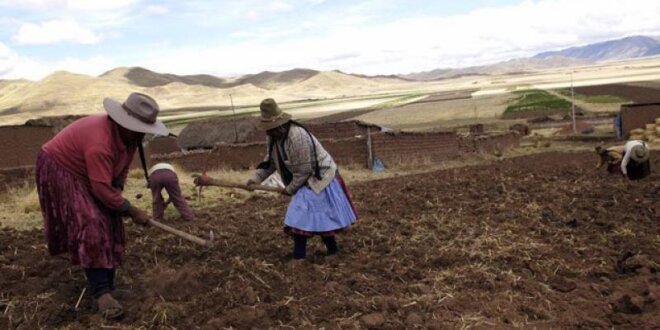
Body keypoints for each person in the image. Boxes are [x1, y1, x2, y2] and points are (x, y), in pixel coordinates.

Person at [36, 92, 169, 320]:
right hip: (60, 167)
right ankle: (101, 293)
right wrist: (131, 209)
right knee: (92, 222)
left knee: (112, 220)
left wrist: (118, 192)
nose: (141, 134)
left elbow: (121, 170)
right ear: (123, 122)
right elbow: (101, 190)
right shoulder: (100, 143)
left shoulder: (130, 138)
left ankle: (109, 283)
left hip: (91, 173)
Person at [195, 98, 357, 260]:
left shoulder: (296, 136)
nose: (268, 132)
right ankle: (332, 250)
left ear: (280, 125)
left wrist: (290, 189)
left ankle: (300, 257)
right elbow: (271, 162)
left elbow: (304, 170)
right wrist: (255, 179)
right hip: (305, 178)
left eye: (271, 128)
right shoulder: (274, 137)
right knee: (315, 216)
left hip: (319, 178)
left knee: (299, 217)